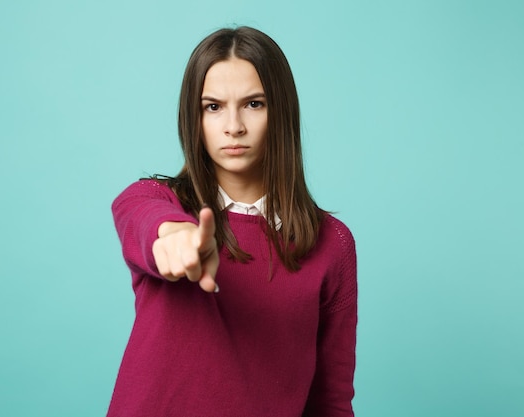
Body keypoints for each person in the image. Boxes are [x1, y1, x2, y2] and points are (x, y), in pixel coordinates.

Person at [107, 26, 357, 417]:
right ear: (195, 118)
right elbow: (141, 217)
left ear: (281, 110)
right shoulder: (159, 201)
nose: (233, 126)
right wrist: (176, 237)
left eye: (254, 104)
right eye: (213, 106)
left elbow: (330, 401)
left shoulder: (332, 244)